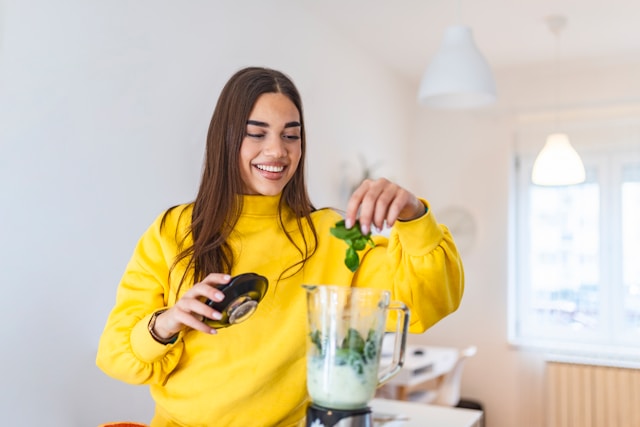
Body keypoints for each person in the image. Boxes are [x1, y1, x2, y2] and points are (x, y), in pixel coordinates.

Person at [96, 66, 464, 427]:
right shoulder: (173, 230)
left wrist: (413, 215)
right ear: (224, 139)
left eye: (291, 136)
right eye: (256, 134)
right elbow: (117, 356)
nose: (277, 151)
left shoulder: (333, 236)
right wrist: (169, 321)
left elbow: (426, 302)